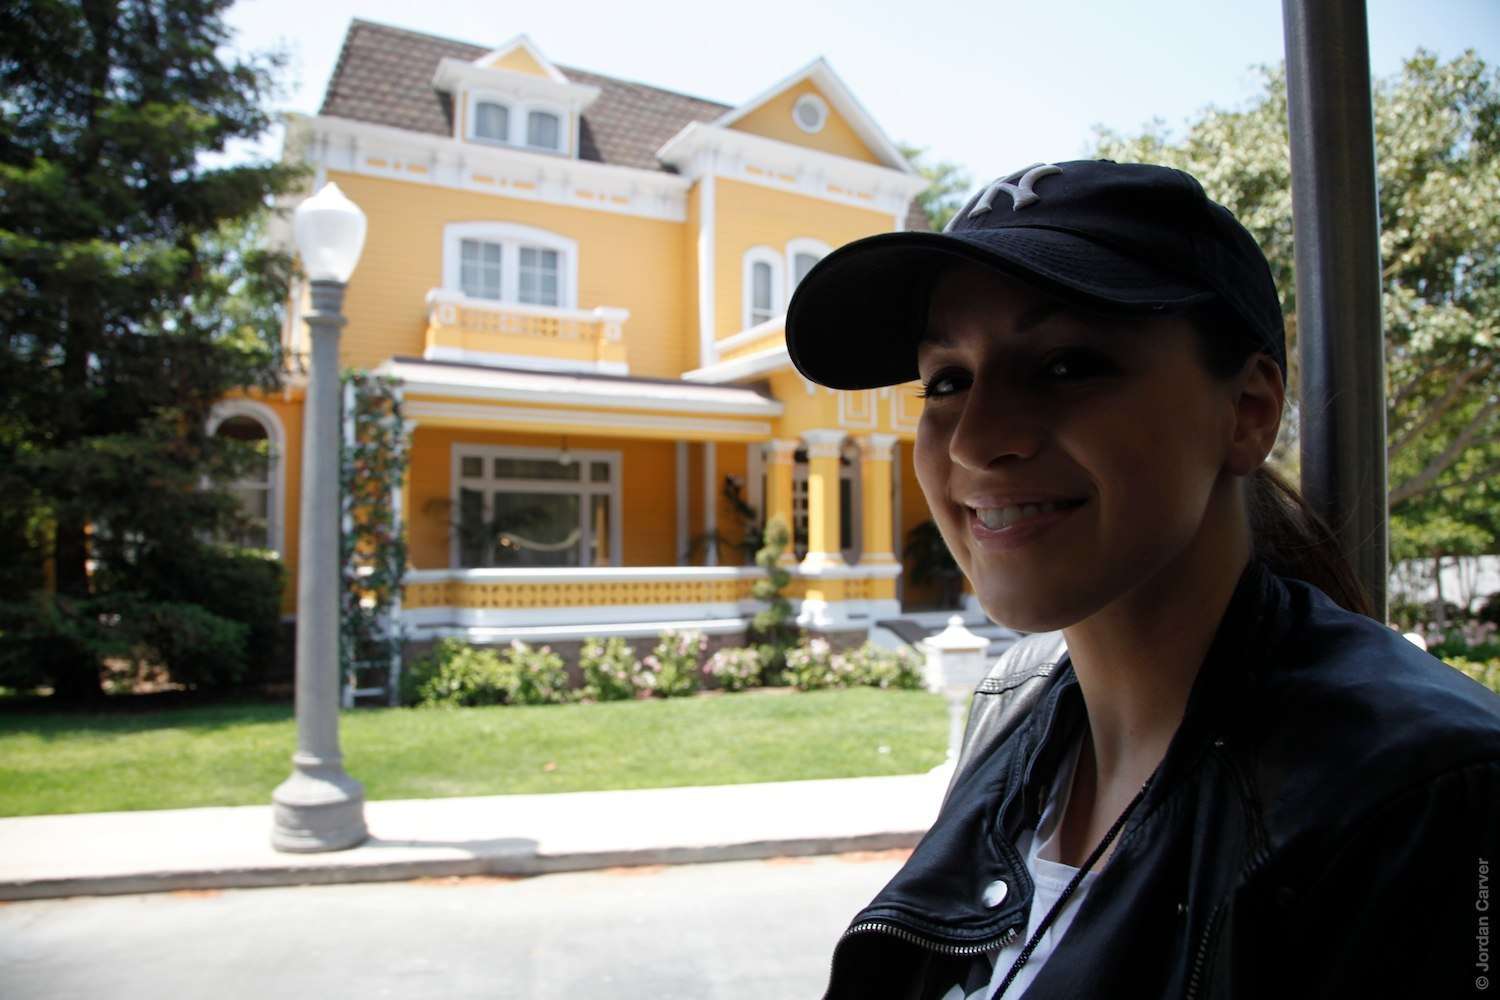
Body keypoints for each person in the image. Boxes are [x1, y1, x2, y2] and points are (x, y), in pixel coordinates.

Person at [782, 160, 1500, 999]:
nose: (975, 440)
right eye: (948, 382)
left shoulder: (1425, 802)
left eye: (1066, 365)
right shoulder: (1019, 711)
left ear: (1248, 412)